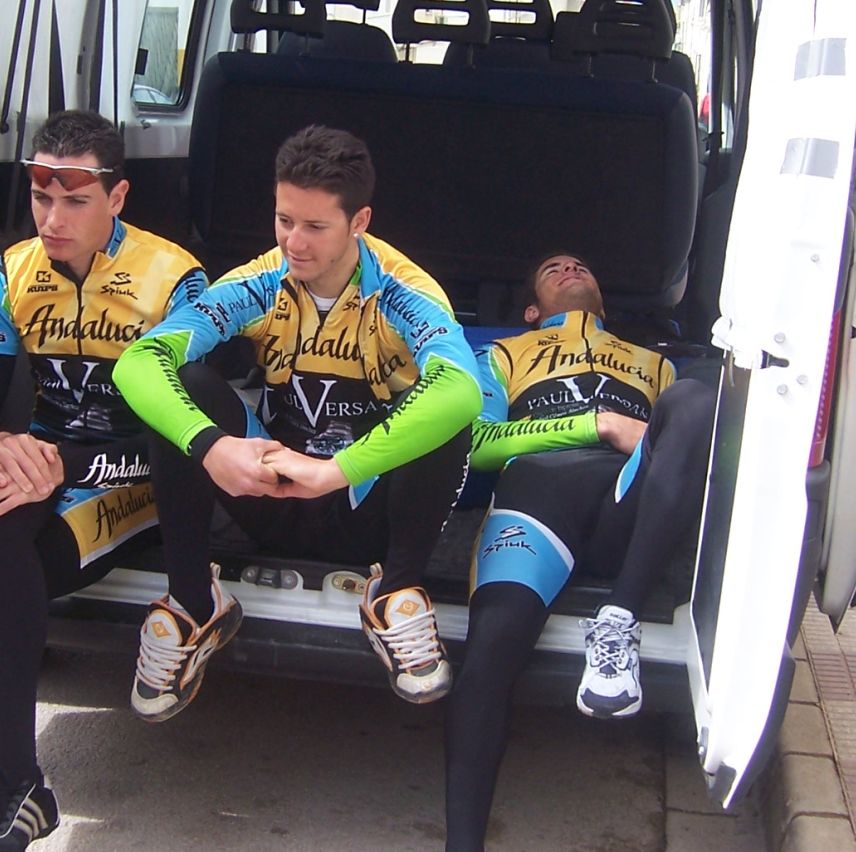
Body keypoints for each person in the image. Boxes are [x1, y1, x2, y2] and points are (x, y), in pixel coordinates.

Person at [112, 124, 482, 719]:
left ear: (359, 222)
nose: (294, 242)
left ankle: (396, 591)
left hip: (363, 504)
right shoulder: (262, 279)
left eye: (315, 226)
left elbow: (463, 390)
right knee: (186, 383)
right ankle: (192, 602)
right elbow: (139, 361)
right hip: (270, 488)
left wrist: (337, 470)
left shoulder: (405, 290)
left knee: (443, 406)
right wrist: (210, 448)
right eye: (284, 220)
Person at [0, 110, 208, 851]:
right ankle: (15, 786)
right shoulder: (10, 272)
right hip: (48, 467)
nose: (53, 220)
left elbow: (182, 439)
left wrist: (66, 465)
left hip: (140, 477)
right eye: (41, 198)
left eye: (75, 201)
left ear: (117, 197)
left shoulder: (176, 278)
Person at [444, 253, 715, 851]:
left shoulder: (657, 364)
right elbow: (478, 443)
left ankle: (619, 620)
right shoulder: (502, 353)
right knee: (488, 657)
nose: (569, 267)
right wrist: (600, 424)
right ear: (530, 310)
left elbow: (685, 453)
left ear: (603, 298)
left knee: (696, 399)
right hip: (536, 497)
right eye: (552, 267)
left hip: (629, 502)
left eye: (580, 265)